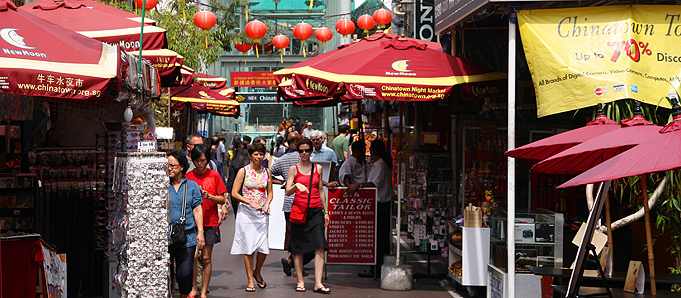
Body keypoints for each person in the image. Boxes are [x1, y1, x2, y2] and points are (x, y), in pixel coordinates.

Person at [285, 139, 331, 293]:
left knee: (320, 246)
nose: (304, 153)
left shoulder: (317, 168)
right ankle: (300, 281)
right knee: (297, 247)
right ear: (297, 152)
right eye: (301, 151)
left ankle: (318, 283)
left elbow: (320, 190)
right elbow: (287, 191)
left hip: (316, 210)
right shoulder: (293, 169)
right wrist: (296, 186)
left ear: (312, 151)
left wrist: (326, 211)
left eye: (307, 150)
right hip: (299, 210)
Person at [346, 139, 393, 278]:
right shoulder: (377, 164)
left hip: (381, 205)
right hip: (378, 204)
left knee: (379, 238)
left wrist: (358, 186)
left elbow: (375, 183)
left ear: (373, 151)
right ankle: (377, 266)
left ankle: (377, 268)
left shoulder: (381, 166)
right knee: (379, 237)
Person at [230, 143, 273, 293]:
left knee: (263, 248)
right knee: (248, 248)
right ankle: (250, 279)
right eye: (256, 154)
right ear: (250, 155)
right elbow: (234, 193)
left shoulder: (267, 172)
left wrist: (267, 203)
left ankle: (257, 271)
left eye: (261, 154)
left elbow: (270, 192)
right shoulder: (243, 171)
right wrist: (250, 203)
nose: (259, 157)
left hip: (262, 214)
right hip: (246, 213)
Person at [186, 144, 228, 298]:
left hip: (210, 221)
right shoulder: (188, 176)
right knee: (194, 256)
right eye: (196, 160)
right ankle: (194, 288)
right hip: (192, 222)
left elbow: (222, 198)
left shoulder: (214, 175)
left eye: (202, 160)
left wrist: (208, 196)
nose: (199, 163)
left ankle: (204, 290)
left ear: (208, 159)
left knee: (206, 258)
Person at [167, 150, 205, 298]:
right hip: (165, 236)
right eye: (167, 166)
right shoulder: (161, 185)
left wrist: (200, 232)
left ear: (182, 166)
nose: (169, 169)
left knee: (185, 273)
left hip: (187, 235)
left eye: (173, 165)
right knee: (165, 273)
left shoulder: (192, 185)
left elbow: (197, 209)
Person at [226, 140, 250, 216]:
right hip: (247, 191)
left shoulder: (234, 163)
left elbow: (231, 179)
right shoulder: (248, 162)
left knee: (238, 213)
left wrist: (227, 192)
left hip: (235, 191)